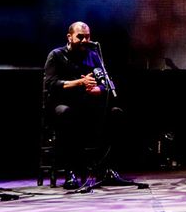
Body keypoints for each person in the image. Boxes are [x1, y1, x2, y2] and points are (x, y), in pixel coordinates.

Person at [43, 21, 134, 190]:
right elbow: (51, 84)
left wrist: (99, 89)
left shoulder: (93, 55)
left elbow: (105, 83)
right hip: (63, 104)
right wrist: (80, 83)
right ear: (69, 37)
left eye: (87, 37)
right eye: (80, 37)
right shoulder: (56, 55)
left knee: (116, 113)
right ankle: (70, 172)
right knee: (66, 114)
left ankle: (107, 169)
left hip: (88, 104)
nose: (85, 40)